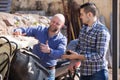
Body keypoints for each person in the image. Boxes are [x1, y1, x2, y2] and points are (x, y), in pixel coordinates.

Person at [62, 2, 110, 80]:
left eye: (82, 14)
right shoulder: (84, 28)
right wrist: (74, 60)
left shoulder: (102, 31)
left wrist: (77, 56)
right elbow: (80, 47)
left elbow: (99, 55)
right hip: (84, 73)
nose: (80, 17)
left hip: (98, 73)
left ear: (89, 15)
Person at [13, 13, 67, 80]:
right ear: (50, 21)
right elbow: (27, 30)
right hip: (34, 69)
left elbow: (61, 53)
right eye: (53, 21)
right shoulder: (40, 30)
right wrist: (19, 31)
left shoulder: (62, 39)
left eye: (57, 24)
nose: (54, 24)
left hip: (48, 71)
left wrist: (50, 51)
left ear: (62, 25)